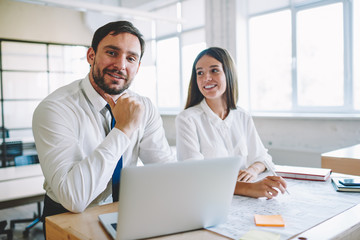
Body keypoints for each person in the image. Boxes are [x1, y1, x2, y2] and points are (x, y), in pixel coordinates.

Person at [32, 21, 174, 224]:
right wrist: (123, 129)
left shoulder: (144, 107)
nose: (121, 65)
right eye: (112, 53)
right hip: (67, 217)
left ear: (138, 66)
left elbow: (165, 170)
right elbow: (74, 198)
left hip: (123, 211)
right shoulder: (56, 108)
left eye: (131, 58)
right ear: (91, 56)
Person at [176, 47, 287, 199]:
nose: (206, 78)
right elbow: (194, 175)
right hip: (209, 199)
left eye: (214, 70)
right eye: (200, 72)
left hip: (242, 201)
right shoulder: (187, 119)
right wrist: (248, 188)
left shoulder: (242, 116)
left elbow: (263, 158)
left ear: (228, 73)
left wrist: (252, 170)